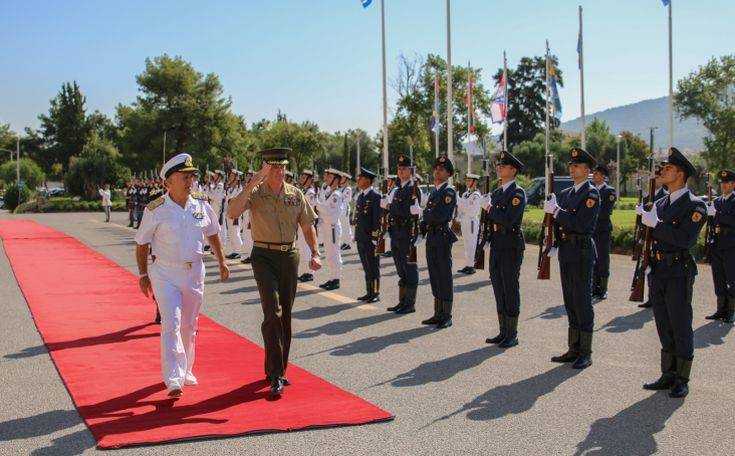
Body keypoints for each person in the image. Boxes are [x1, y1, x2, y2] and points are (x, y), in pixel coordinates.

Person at [227, 147, 321, 396]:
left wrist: (315, 251)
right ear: (265, 168)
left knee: (285, 315)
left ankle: (278, 369)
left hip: (289, 255)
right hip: (264, 256)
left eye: (282, 166)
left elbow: (307, 224)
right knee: (272, 311)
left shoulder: (295, 194)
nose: (280, 171)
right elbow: (232, 211)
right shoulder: (256, 193)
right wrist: (254, 180)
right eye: (274, 167)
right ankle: (276, 374)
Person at [135, 153, 229, 397]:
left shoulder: (201, 204)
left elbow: (213, 233)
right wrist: (143, 274)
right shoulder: (156, 209)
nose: (190, 181)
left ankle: (186, 369)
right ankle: (173, 378)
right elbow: (142, 242)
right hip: (165, 273)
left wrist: (222, 261)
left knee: (189, 324)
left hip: (195, 271)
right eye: (184, 177)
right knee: (172, 323)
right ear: (169, 182)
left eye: (191, 177)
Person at [637, 147, 707, 398]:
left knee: (680, 322)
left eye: (668, 168)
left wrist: (656, 223)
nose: (662, 171)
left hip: (678, 270)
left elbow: (685, 239)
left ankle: (682, 377)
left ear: (681, 174)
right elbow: (649, 237)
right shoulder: (659, 203)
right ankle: (667, 373)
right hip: (658, 269)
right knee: (663, 322)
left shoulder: (695, 205)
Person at [544, 148, 600, 370]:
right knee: (569, 299)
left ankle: (585, 351)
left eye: (577, 165)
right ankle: (573, 348)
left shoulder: (591, 194)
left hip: (582, 250)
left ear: (587, 170)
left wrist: (556, 212)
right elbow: (560, 224)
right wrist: (554, 241)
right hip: (567, 250)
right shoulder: (566, 193)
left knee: (582, 300)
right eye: (571, 165)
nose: (572, 168)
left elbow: (580, 224)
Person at [482, 151, 526, 347]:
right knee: (498, 286)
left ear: (513, 170)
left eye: (504, 166)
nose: (499, 168)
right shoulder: (497, 192)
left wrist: (489, 208)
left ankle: (512, 333)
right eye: (499, 165)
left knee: (510, 287)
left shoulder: (517, 193)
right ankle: (503, 330)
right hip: (498, 243)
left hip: (510, 244)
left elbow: (508, 219)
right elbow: (491, 221)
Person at [418, 155, 457, 329]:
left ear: (448, 173)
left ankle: (446, 315)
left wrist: (424, 213)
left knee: (444, 275)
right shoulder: (434, 193)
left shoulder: (448, 192)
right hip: (432, 236)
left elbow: (440, 215)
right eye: (436, 168)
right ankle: (437, 313)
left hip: (441, 237)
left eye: (441, 168)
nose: (437, 170)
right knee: (434, 274)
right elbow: (429, 216)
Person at [385, 156, 421, 314]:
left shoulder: (413, 188)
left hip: (407, 232)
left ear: (410, 170)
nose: (400, 171)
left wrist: (390, 206)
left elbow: (407, 210)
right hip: (396, 232)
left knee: (409, 267)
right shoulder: (398, 189)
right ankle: (402, 301)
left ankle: (410, 303)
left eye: (404, 168)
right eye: (399, 168)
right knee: (400, 267)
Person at [705, 169, 735, 323]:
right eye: (722, 183)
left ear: (733, 184)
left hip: (731, 245)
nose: (723, 185)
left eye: (727, 182)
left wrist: (716, 215)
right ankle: (720, 309)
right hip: (717, 244)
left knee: (731, 278)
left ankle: (730, 311)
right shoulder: (716, 201)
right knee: (718, 277)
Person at [639, 165, 670, 308]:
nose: (656, 179)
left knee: (656, 268)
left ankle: (657, 296)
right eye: (654, 177)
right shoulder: (647, 197)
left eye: (658, 177)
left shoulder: (665, 196)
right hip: (647, 236)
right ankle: (651, 297)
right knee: (648, 266)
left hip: (658, 236)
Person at [354, 168, 382, 303]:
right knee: (366, 265)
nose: (358, 180)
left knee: (373, 266)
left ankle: (375, 292)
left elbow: (377, 219)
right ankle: (369, 291)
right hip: (361, 237)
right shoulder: (361, 196)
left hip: (371, 239)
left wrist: (375, 237)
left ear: (367, 180)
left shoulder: (375, 197)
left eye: (360, 178)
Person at [315, 168, 344, 290]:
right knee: (329, 254)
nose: (327, 178)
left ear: (337, 180)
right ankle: (332, 278)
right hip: (326, 227)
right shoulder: (329, 193)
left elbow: (329, 211)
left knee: (334, 254)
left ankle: (336, 279)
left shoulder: (336, 195)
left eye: (331, 178)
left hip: (332, 228)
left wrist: (317, 203)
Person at [591, 164, 617, 301]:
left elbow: (605, 211)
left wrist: (588, 215)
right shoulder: (591, 190)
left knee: (602, 258)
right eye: (594, 173)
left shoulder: (609, 192)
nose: (594, 176)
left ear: (604, 176)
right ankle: (594, 287)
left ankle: (603, 288)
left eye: (597, 174)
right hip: (591, 230)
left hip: (602, 230)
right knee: (593, 259)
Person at [456, 173, 482, 274]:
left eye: (469, 180)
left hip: (471, 221)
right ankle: (468, 264)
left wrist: (459, 201)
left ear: (474, 182)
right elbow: (462, 209)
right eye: (466, 180)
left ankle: (471, 266)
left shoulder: (476, 195)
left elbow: (472, 210)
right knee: (466, 244)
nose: (467, 182)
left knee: (472, 243)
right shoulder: (465, 194)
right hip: (464, 221)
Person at [297, 169, 318, 282]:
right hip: (301, 224)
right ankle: (305, 271)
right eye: (302, 177)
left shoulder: (310, 193)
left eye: (305, 178)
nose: (302, 179)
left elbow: (307, 209)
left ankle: (310, 272)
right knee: (302, 249)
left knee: (307, 249)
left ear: (310, 180)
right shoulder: (303, 191)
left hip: (307, 224)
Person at [225, 170, 244, 259]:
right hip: (229, 211)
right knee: (231, 232)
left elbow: (236, 200)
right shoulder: (231, 187)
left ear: (236, 177)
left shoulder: (239, 188)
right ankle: (234, 250)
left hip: (235, 212)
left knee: (235, 232)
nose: (230, 177)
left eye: (233, 175)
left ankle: (239, 251)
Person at [241, 169, 255, 264]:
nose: (247, 177)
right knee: (246, 235)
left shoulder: (254, 187)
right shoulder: (246, 186)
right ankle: (248, 254)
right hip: (245, 214)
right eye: (246, 175)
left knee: (250, 236)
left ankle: (251, 255)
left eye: (249, 175)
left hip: (250, 214)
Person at [339, 172, 354, 250]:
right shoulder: (342, 188)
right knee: (343, 225)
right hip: (341, 209)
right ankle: (345, 242)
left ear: (347, 180)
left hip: (345, 208)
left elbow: (347, 199)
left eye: (343, 178)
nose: (341, 179)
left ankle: (347, 243)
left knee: (346, 226)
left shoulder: (348, 189)